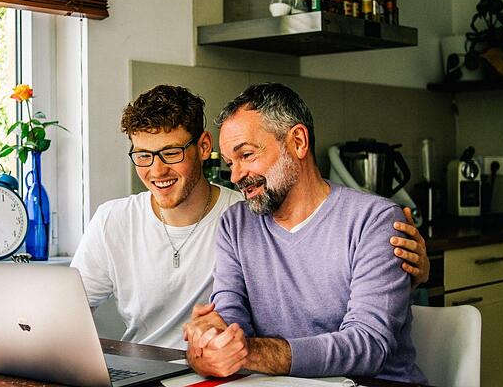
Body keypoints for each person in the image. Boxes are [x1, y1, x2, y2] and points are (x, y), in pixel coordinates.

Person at [69, 84, 429, 351]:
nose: (156, 169)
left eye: (171, 152)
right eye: (143, 155)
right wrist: (221, 338)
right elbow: (64, 312)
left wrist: (402, 273)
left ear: (202, 147)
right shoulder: (239, 222)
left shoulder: (247, 211)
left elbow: (366, 334)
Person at [183, 83, 427, 383]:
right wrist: (211, 341)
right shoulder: (235, 225)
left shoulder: (374, 221)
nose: (235, 176)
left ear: (298, 141)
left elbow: (369, 346)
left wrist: (248, 352)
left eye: (246, 155)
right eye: (229, 163)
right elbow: (232, 325)